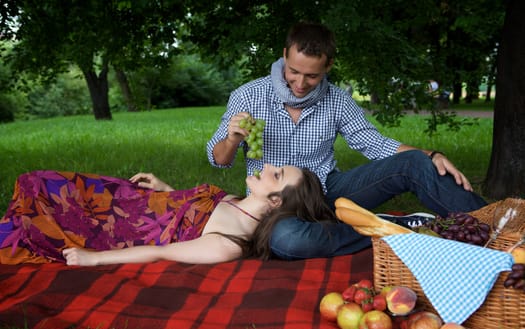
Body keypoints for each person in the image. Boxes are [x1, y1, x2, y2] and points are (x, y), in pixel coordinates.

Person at [206, 22, 487, 260]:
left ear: (328, 65)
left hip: (329, 191)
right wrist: (231, 139)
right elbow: (219, 160)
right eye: (294, 71)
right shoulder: (248, 95)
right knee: (287, 242)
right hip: (278, 204)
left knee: (415, 163)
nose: (300, 83)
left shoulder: (338, 100)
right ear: (284, 56)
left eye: (312, 75)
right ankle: (386, 228)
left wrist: (431, 155)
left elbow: (373, 143)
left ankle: (496, 228)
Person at [0, 164, 362, 265]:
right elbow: (190, 210)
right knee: (40, 183)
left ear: (274, 202)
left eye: (277, 175)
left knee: (33, 215)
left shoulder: (228, 244)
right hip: (131, 201)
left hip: (116, 228)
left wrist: (94, 260)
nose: (268, 166)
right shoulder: (237, 199)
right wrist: (166, 190)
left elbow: (161, 251)